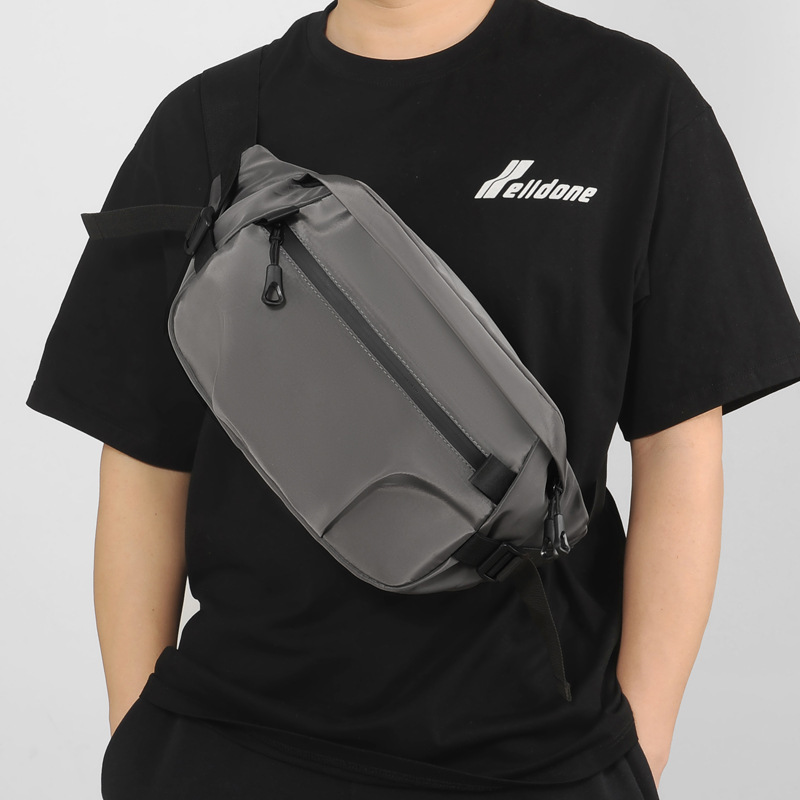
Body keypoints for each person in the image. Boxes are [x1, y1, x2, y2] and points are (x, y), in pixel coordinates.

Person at [25, 0, 800, 798]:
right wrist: (137, 741)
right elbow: (145, 460)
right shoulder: (207, 122)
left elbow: (679, 446)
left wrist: (640, 743)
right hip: (228, 750)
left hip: (539, 759)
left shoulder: (631, 104)